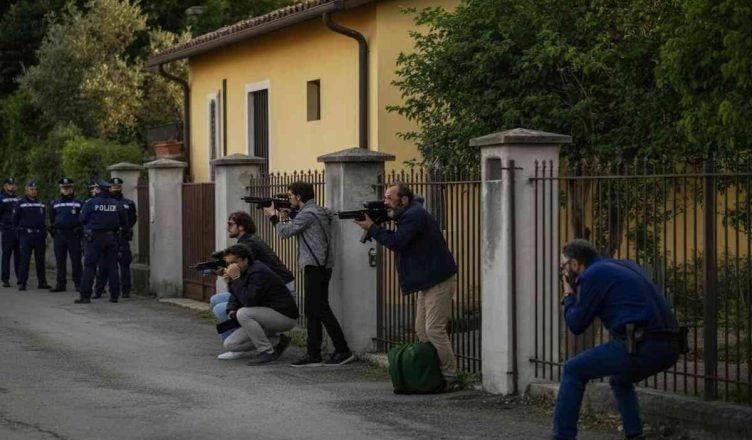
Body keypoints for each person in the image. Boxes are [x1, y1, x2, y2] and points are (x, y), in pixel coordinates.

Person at [552, 239, 681, 440]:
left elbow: (576, 324)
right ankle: (634, 434)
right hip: (671, 346)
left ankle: (562, 436)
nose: (563, 273)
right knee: (620, 380)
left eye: (563, 267)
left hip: (642, 345)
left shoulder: (593, 275)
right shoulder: (622, 265)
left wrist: (568, 295)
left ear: (575, 265)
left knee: (573, 369)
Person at [354, 182, 459, 390]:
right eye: (384, 198)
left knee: (434, 329)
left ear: (404, 199)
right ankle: (433, 373)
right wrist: (378, 221)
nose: (386, 202)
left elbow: (398, 243)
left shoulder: (413, 215)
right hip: (427, 279)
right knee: (421, 329)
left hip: (439, 278)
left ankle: (451, 378)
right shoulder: (408, 212)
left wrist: (373, 228)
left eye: (389, 198)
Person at [263, 181, 354, 367]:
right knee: (313, 310)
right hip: (322, 265)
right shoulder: (317, 210)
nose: (289, 199)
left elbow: (285, 233)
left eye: (290, 196)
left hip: (314, 265)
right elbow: (305, 223)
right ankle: (313, 353)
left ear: (298, 196)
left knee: (319, 308)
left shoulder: (307, 214)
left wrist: (273, 216)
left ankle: (342, 349)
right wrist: (290, 214)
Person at [211, 211, 296, 360]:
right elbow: (241, 289)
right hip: (268, 290)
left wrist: (234, 279)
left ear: (242, 226)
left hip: (278, 294)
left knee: (233, 310)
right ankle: (256, 339)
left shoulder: (249, 249)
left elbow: (249, 299)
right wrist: (230, 280)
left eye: (231, 224)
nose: (227, 227)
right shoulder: (246, 243)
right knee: (221, 303)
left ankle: (261, 347)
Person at [221, 244, 299, 365]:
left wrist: (235, 279)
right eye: (228, 263)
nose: (231, 266)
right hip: (265, 316)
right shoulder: (242, 271)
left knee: (243, 313)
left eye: (234, 262)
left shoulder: (258, 272)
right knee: (230, 344)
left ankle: (267, 352)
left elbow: (249, 301)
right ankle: (277, 341)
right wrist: (231, 306)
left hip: (284, 316)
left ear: (245, 259)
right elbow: (238, 296)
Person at [76, 180, 128, 304]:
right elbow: (124, 222)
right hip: (111, 238)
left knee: (90, 266)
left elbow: (82, 219)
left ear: (99, 190)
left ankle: (85, 296)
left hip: (94, 238)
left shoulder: (91, 203)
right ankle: (114, 296)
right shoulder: (116, 204)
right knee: (113, 267)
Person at [93, 177, 137, 298]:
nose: (115, 189)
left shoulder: (128, 203)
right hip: (109, 236)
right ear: (109, 188)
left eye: (118, 187)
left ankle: (125, 290)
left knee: (124, 264)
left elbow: (132, 218)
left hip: (122, 236)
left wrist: (126, 228)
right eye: (113, 187)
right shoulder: (106, 202)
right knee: (103, 264)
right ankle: (99, 290)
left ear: (121, 188)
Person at [14, 181, 50, 291]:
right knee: (24, 259)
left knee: (40, 259)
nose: (34, 191)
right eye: (31, 189)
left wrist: (44, 231)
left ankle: (42, 282)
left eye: (35, 189)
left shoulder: (41, 203)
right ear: (26, 190)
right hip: (26, 235)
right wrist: (19, 231)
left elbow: (44, 217)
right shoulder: (21, 203)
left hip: (39, 234)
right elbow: (15, 219)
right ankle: (23, 282)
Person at [49, 178, 84, 292]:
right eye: (64, 188)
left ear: (72, 188)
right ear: (60, 189)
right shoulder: (55, 203)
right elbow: (52, 218)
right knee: (60, 260)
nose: (66, 190)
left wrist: (80, 229)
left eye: (68, 188)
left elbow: (83, 218)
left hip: (73, 234)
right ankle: (61, 283)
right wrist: (53, 229)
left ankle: (79, 284)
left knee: (76, 261)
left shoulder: (79, 203)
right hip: (60, 235)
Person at [0, 178, 20, 287]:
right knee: (6, 255)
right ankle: (5, 279)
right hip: (7, 230)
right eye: (10, 184)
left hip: (17, 230)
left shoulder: (18, 198)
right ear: (5, 186)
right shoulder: (1, 198)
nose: (12, 186)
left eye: (13, 184)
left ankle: (20, 277)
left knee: (19, 255)